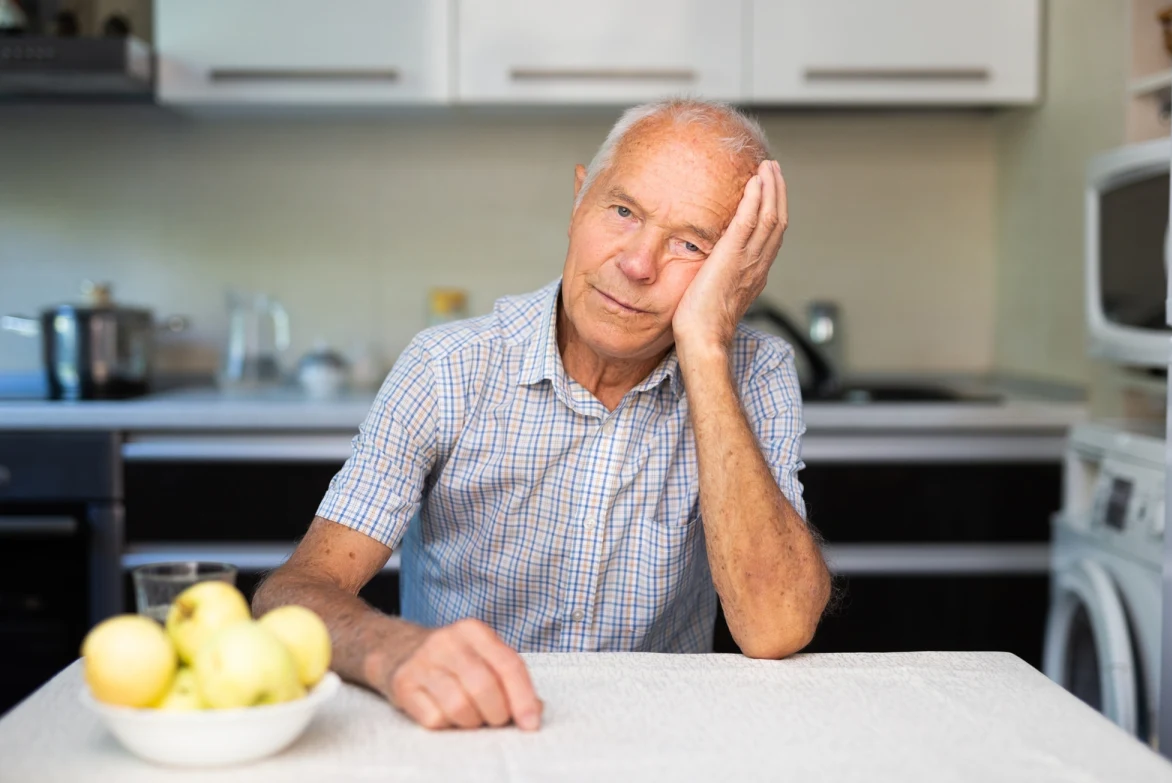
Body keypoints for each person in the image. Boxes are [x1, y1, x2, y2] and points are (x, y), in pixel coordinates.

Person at [253, 97, 832, 732]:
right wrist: (392, 650)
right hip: (467, 734)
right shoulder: (448, 367)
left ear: (737, 272)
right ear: (578, 200)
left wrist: (704, 346)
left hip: (659, 741)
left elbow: (774, 625)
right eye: (622, 211)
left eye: (691, 244)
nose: (637, 265)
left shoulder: (754, 373)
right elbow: (291, 595)